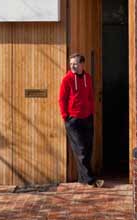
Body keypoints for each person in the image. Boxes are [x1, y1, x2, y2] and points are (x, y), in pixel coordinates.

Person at [58, 53, 104, 188]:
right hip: (73, 119)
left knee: (88, 149)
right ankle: (91, 180)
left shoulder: (87, 78)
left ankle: (82, 179)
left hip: (87, 117)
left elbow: (90, 96)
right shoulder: (67, 79)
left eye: (76, 63)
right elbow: (62, 99)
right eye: (71, 63)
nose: (73, 66)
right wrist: (65, 116)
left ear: (82, 64)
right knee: (81, 150)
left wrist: (91, 111)